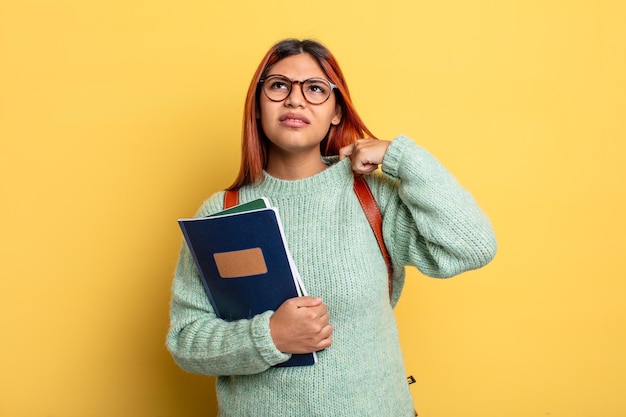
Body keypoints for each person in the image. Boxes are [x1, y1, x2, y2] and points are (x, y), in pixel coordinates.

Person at [167, 38, 497, 417]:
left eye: (315, 89)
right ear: (257, 107)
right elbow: (186, 340)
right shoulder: (222, 211)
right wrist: (269, 336)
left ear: (336, 111)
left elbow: (473, 246)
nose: (295, 100)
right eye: (278, 86)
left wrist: (401, 157)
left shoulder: (371, 197)